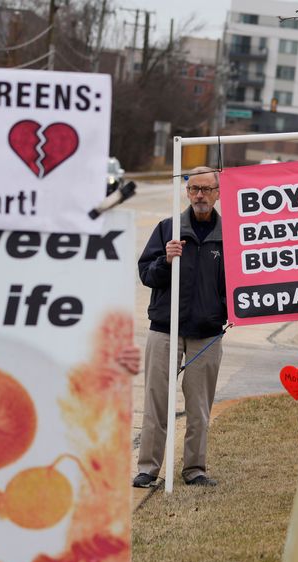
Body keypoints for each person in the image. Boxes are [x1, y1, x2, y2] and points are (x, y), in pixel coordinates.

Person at [133, 166, 227, 489]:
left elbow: (238, 285)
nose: (200, 195)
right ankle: (148, 468)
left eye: (206, 189)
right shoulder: (168, 229)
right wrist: (166, 261)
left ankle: (194, 469)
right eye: (194, 189)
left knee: (199, 406)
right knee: (156, 401)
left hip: (207, 333)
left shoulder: (227, 235)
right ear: (187, 192)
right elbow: (146, 273)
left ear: (217, 193)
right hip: (165, 329)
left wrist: (229, 313)